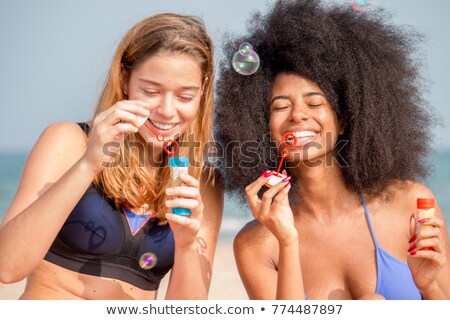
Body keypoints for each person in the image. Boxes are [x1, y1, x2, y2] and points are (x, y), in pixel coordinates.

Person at [216, 0, 449, 299]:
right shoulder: (256, 243)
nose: (298, 115)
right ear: (263, 127)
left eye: (314, 103)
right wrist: (287, 241)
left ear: (343, 120)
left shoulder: (412, 206)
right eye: (280, 106)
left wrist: (429, 286)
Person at [0, 13, 223, 300]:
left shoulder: (203, 181)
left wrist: (187, 244)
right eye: (151, 91)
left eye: (185, 96)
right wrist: (87, 166)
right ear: (125, 79)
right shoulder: (69, 141)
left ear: (203, 91)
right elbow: (7, 267)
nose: (167, 111)